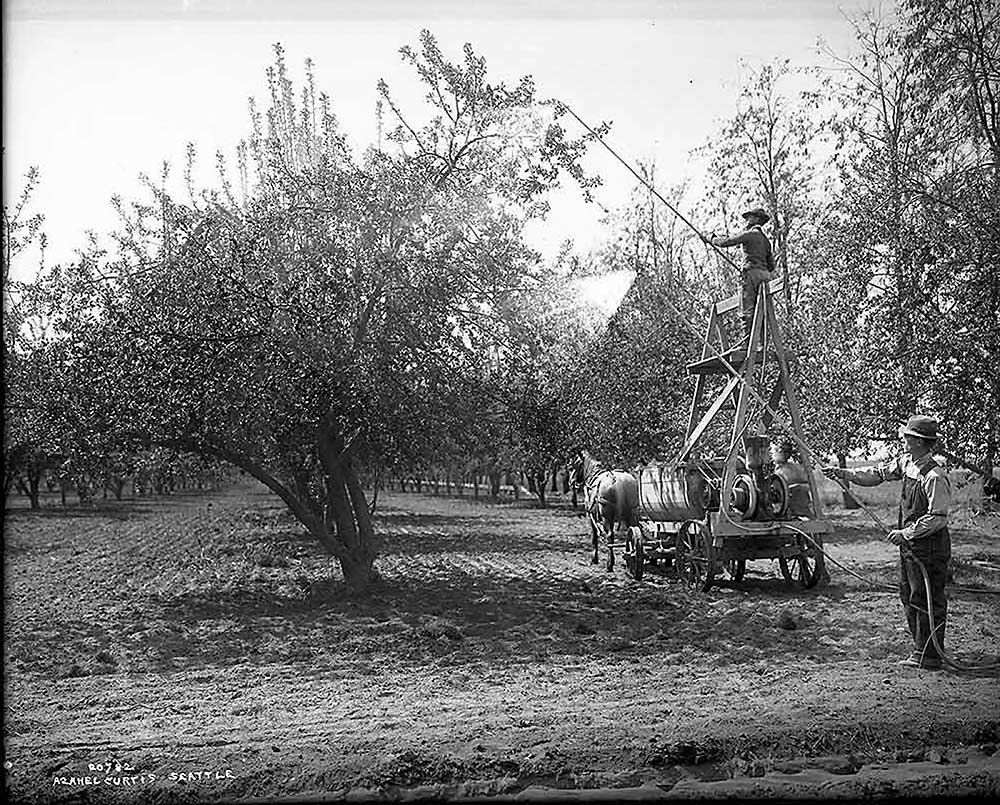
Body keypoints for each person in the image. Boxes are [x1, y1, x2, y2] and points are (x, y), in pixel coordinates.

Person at [822, 415, 952, 670]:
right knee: (909, 594)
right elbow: (875, 474)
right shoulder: (906, 463)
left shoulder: (934, 476)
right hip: (912, 545)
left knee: (927, 597)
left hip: (930, 546)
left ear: (918, 441)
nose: (903, 439)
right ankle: (921, 650)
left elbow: (937, 518)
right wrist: (842, 473)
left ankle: (931, 655)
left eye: (907, 436)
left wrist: (906, 533)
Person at [709, 208, 776, 340]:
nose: (747, 220)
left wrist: (712, 239)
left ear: (757, 219)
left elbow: (726, 242)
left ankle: (746, 343)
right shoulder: (766, 240)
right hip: (764, 276)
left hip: (751, 274)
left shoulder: (750, 234)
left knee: (747, 309)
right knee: (761, 311)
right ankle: (761, 344)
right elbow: (771, 265)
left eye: (750, 217)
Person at [770, 436, 813, 518]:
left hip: (796, 504)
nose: (784, 453)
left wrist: (792, 488)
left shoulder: (794, 468)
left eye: (786, 451)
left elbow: (806, 485)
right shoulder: (771, 470)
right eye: (781, 450)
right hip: (780, 507)